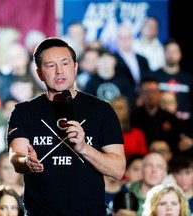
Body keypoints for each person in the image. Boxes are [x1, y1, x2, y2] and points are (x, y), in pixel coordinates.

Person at [7, 37, 126, 215]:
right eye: (50, 65)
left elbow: (118, 170)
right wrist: (26, 162)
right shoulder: (24, 112)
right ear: (39, 73)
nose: (59, 71)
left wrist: (84, 148)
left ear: (76, 67)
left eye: (65, 63)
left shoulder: (101, 110)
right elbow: (15, 156)